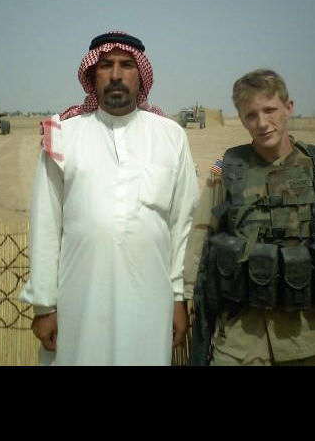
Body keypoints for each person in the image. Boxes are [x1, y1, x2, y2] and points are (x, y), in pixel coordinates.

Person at [184, 69, 315, 366]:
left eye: (270, 110)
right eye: (251, 115)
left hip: (306, 332)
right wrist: (185, 299)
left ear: (289, 108)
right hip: (242, 332)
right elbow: (200, 235)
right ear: (242, 119)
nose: (262, 122)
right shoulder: (227, 167)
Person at [19, 30, 199, 365]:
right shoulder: (62, 135)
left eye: (126, 65)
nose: (116, 75)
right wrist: (44, 306)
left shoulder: (170, 135)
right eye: (106, 65)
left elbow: (182, 224)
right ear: (92, 74)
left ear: (141, 74)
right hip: (79, 298)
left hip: (151, 299)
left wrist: (178, 297)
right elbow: (45, 224)